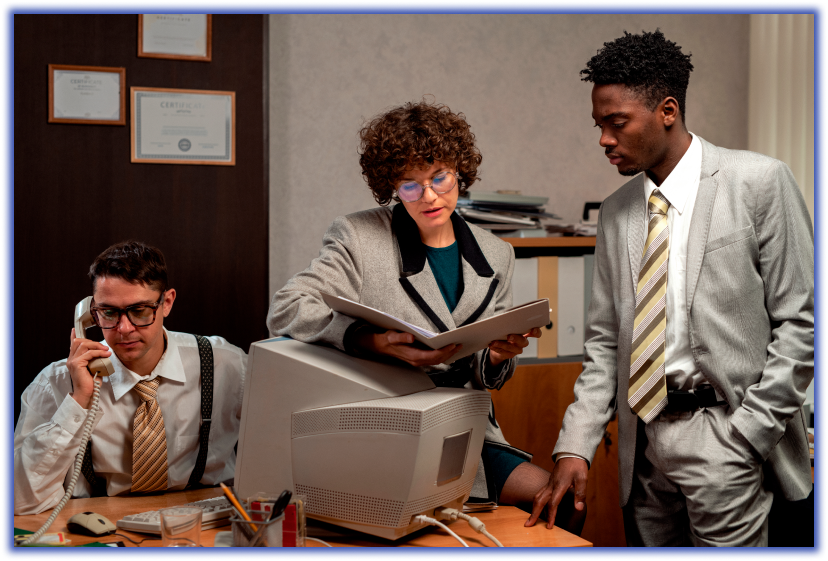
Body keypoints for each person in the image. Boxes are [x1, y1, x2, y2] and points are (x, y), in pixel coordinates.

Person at [526, 30, 814, 547]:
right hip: (643, 449)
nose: (603, 140)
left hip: (726, 433)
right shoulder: (616, 213)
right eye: (599, 125)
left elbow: (802, 321)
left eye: (616, 123)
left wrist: (747, 434)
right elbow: (605, 343)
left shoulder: (759, 182)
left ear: (667, 110)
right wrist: (575, 446)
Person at [267, 99, 584, 532]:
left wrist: (494, 358)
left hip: (462, 428)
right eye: (410, 185)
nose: (430, 195)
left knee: (559, 503)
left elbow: (486, 369)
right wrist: (367, 338)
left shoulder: (497, 253)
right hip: (385, 422)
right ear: (391, 186)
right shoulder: (359, 235)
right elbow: (286, 309)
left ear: (460, 171)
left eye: (440, 177)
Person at [14, 241, 247, 515]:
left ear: (167, 302)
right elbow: (21, 501)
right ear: (90, 314)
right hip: (97, 529)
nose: (124, 329)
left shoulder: (226, 365)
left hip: (203, 522)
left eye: (139, 311)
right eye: (109, 313)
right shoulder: (56, 382)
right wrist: (78, 402)